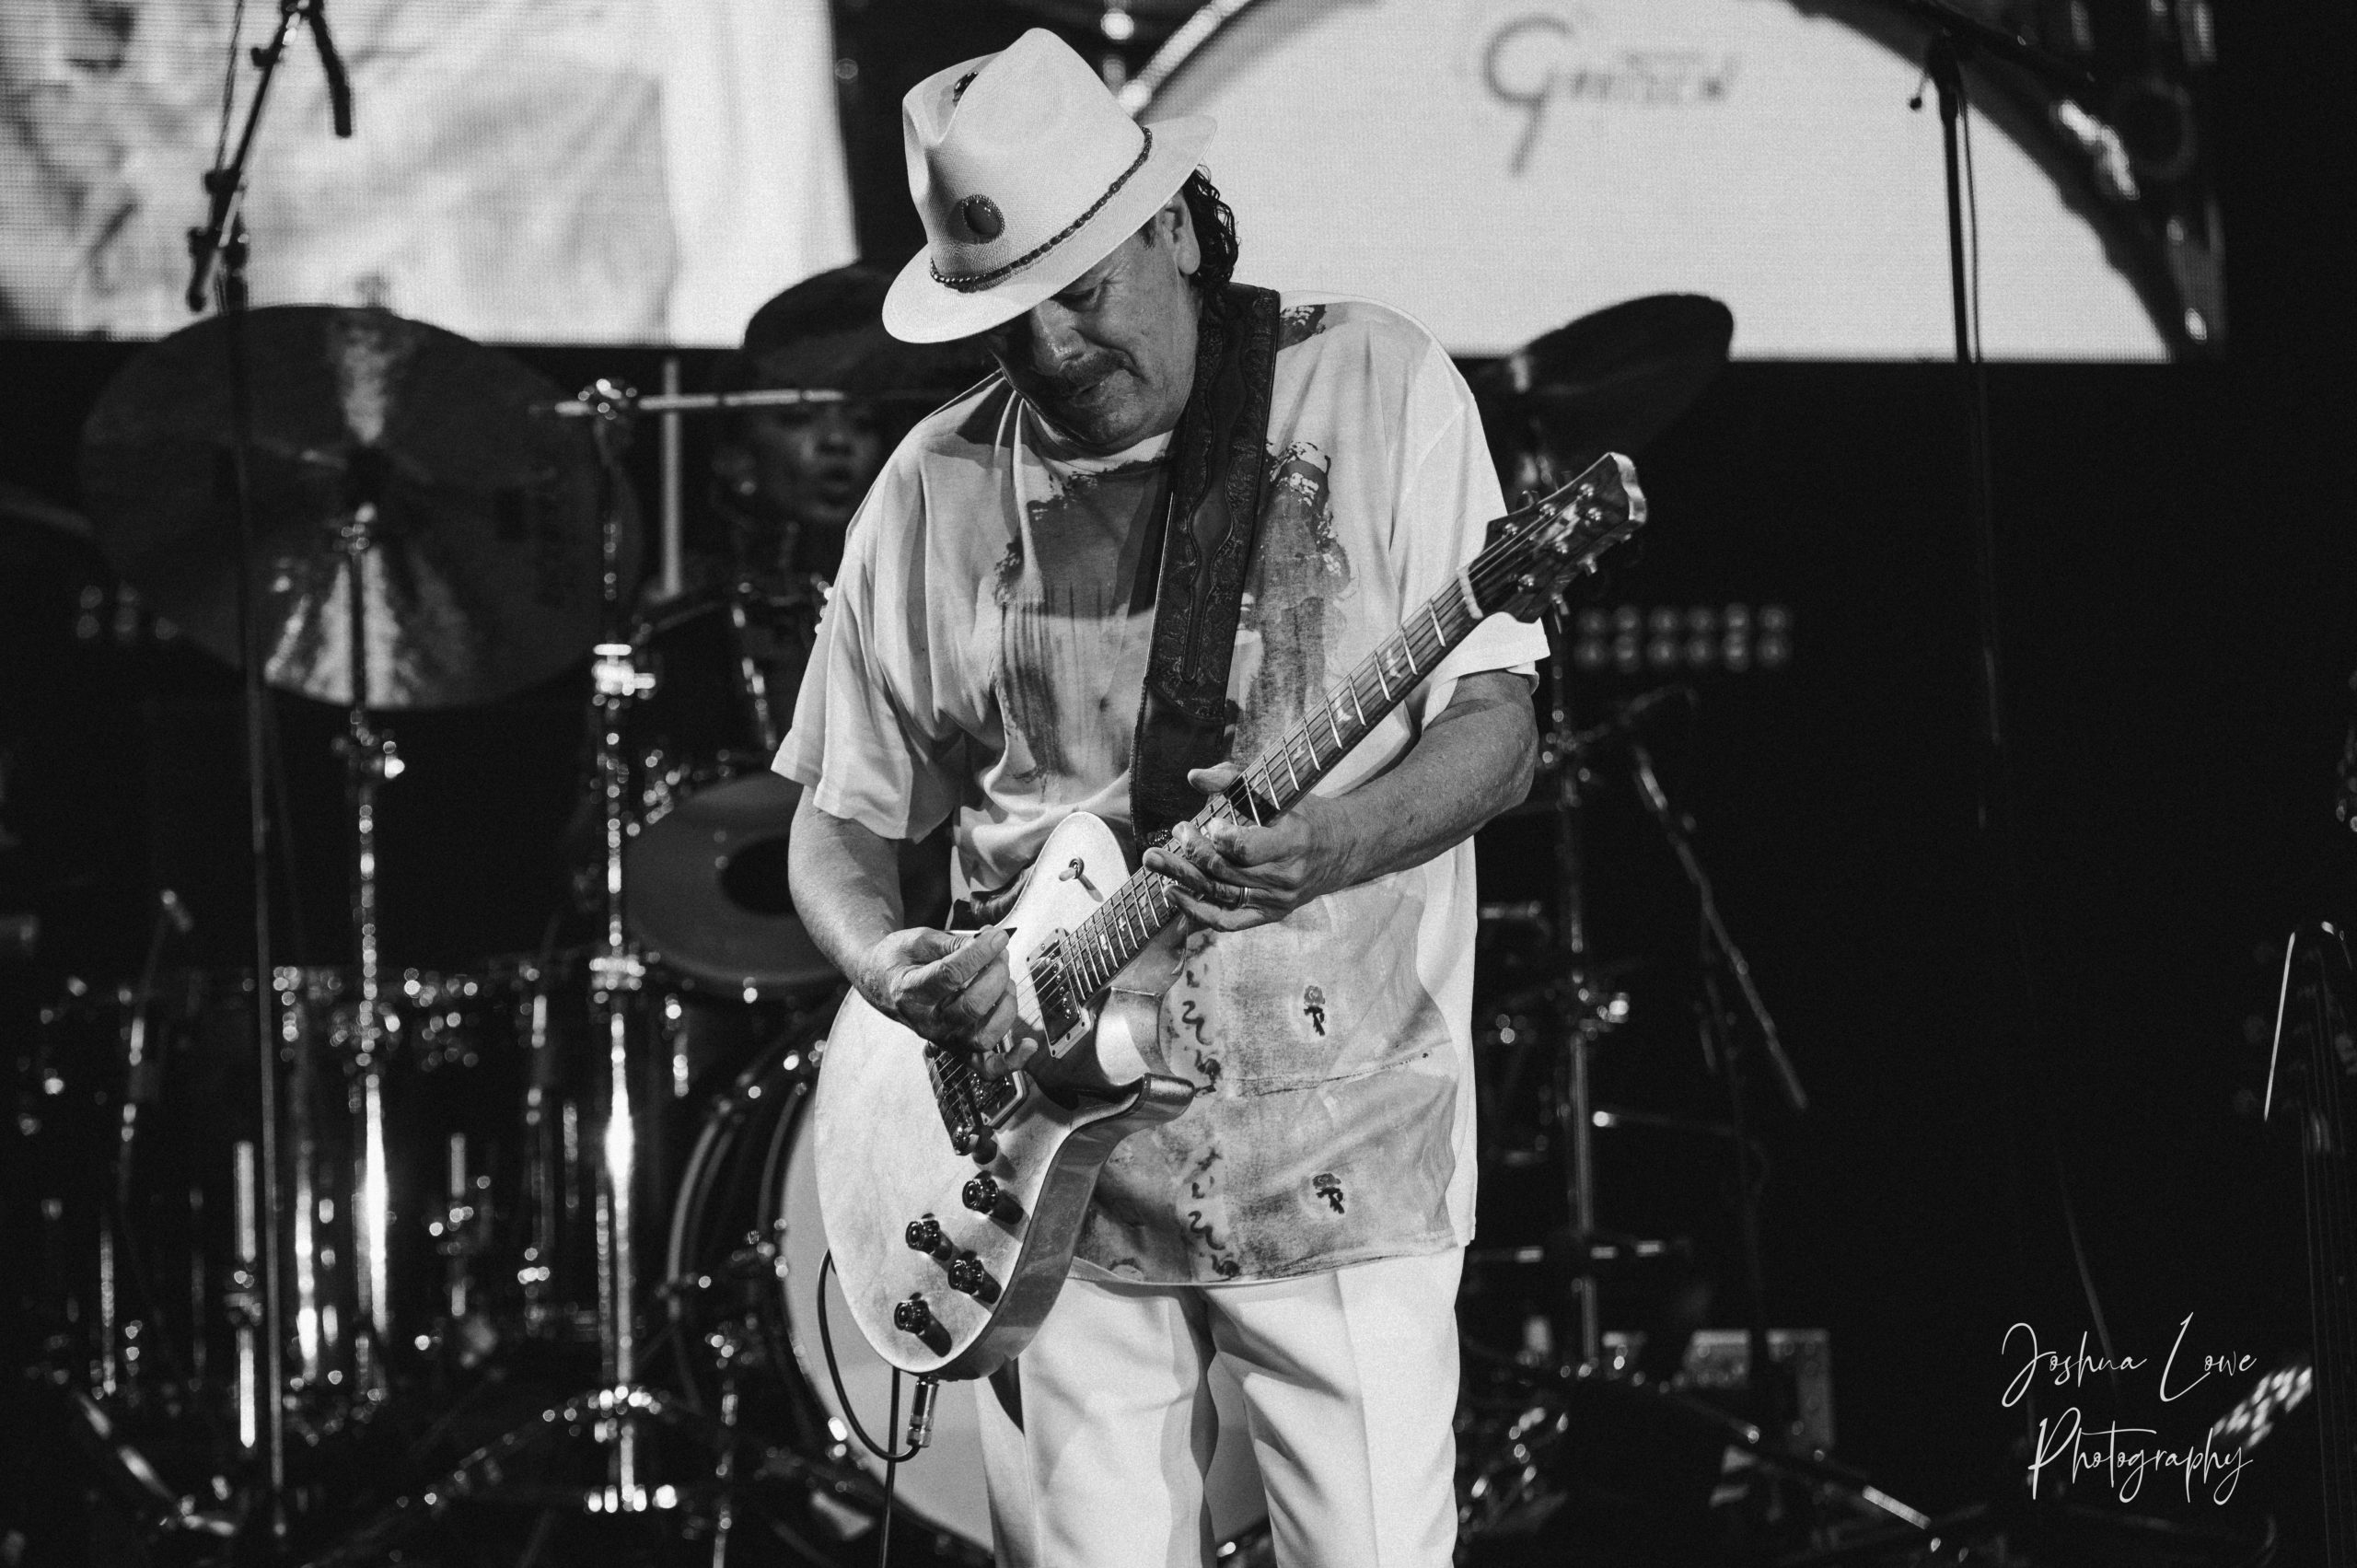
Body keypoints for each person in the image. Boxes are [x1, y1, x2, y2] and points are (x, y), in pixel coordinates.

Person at [780, 29, 1547, 1567]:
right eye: (1007, 316)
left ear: (1178, 227)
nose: (1053, 344)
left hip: (1340, 1158)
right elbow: (836, 825)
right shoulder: (932, 485)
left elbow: (1498, 730)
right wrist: (885, 965)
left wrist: (1334, 842)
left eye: (1082, 287)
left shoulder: (1375, 385)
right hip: (1041, 1187)